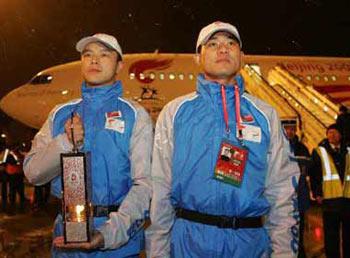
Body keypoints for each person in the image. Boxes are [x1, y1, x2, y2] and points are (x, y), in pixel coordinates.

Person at [146, 21, 299, 257]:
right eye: (213, 44)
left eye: (231, 44)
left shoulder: (264, 115)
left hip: (249, 245)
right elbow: (160, 186)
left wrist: (284, 253)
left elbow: (282, 191)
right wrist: (158, 250)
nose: (223, 49)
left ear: (242, 56)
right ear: (198, 56)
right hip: (190, 243)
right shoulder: (175, 113)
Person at [24, 33, 153, 257]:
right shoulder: (60, 114)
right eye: (88, 55)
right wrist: (65, 143)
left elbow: (144, 185)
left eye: (104, 55)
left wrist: (107, 234)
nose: (94, 60)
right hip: (67, 239)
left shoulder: (134, 115)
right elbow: (33, 173)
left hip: (118, 244)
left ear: (119, 65)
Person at [309, 124, 350, 258]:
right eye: (329, 133)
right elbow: (314, 174)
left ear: (341, 135)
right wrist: (317, 193)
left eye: (335, 133)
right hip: (330, 200)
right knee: (331, 235)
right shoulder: (320, 151)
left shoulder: (348, 151)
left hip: (347, 199)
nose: (332, 135)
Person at [281, 119, 311, 258]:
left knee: (299, 227)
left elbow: (309, 170)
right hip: (281, 196)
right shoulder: (277, 147)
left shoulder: (301, 148)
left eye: (292, 129)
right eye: (286, 129)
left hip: (299, 195)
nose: (289, 132)